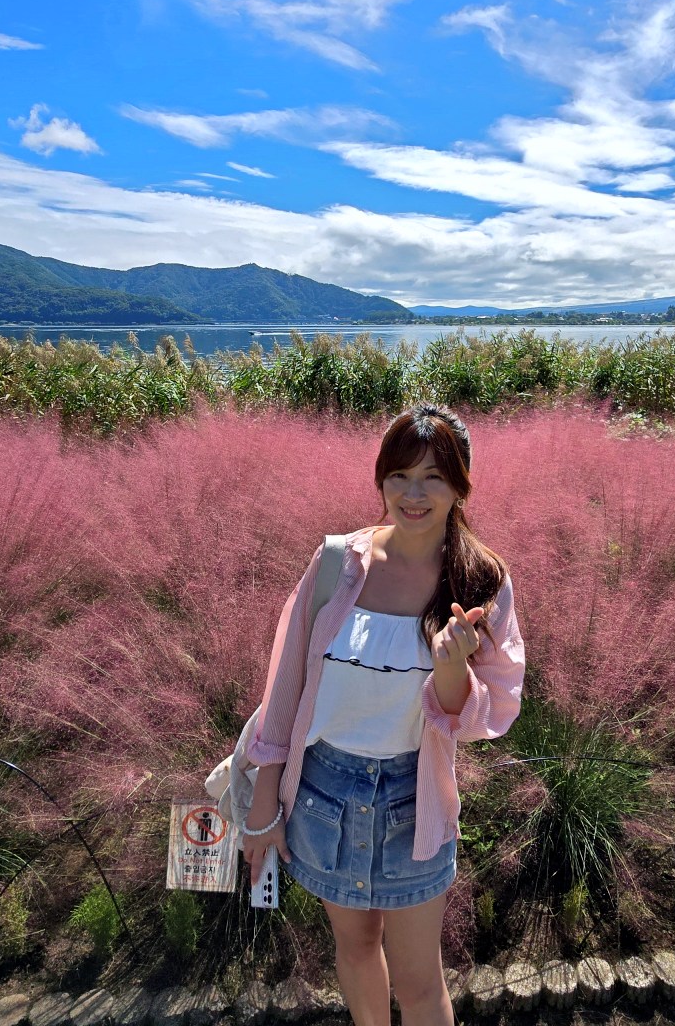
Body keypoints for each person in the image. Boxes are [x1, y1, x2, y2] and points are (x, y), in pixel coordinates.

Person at [239, 403, 526, 1026]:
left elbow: (490, 713)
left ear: (460, 487)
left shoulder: (480, 583)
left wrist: (453, 670)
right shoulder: (335, 563)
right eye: (399, 474)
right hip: (323, 793)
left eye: (433, 477)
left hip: (411, 801)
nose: (413, 493)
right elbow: (284, 691)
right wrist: (263, 808)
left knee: (421, 983)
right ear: (380, 478)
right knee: (356, 947)